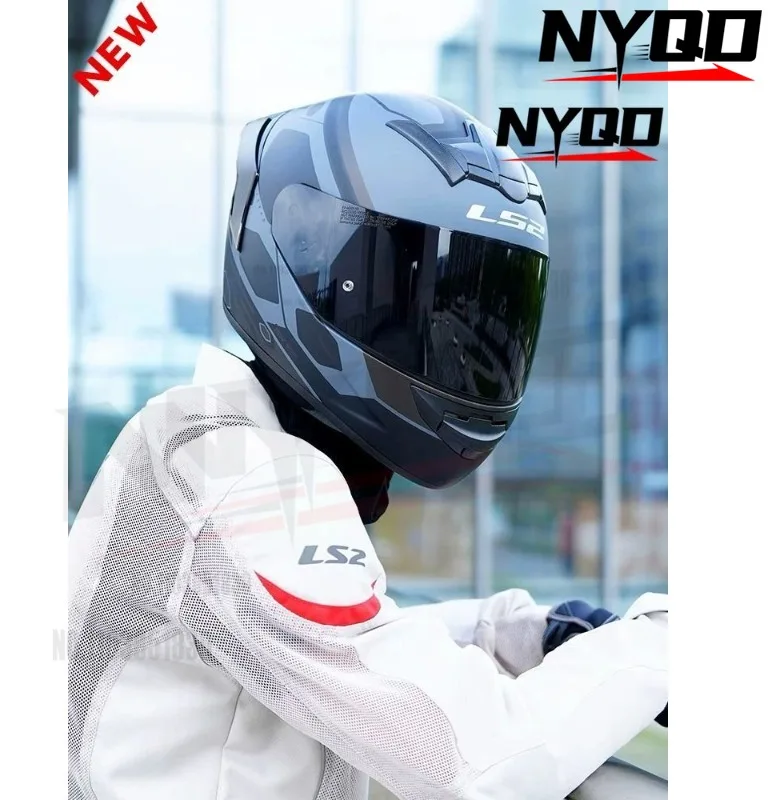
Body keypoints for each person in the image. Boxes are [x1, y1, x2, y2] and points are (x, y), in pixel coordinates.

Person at [68, 93, 667, 800]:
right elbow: (480, 767)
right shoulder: (243, 475)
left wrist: (515, 631)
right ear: (318, 265)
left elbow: (333, 647)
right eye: (432, 307)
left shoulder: (207, 436)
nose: (465, 347)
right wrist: (666, 641)